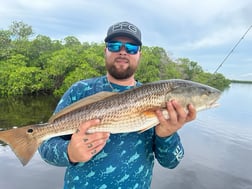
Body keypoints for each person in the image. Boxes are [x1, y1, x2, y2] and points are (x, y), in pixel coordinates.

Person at [38, 21, 196, 189]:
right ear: (105, 51)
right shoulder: (80, 91)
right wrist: (70, 152)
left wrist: (167, 135)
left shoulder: (159, 100)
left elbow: (172, 162)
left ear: (139, 55)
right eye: (114, 46)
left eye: (131, 48)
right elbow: (45, 145)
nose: (123, 52)